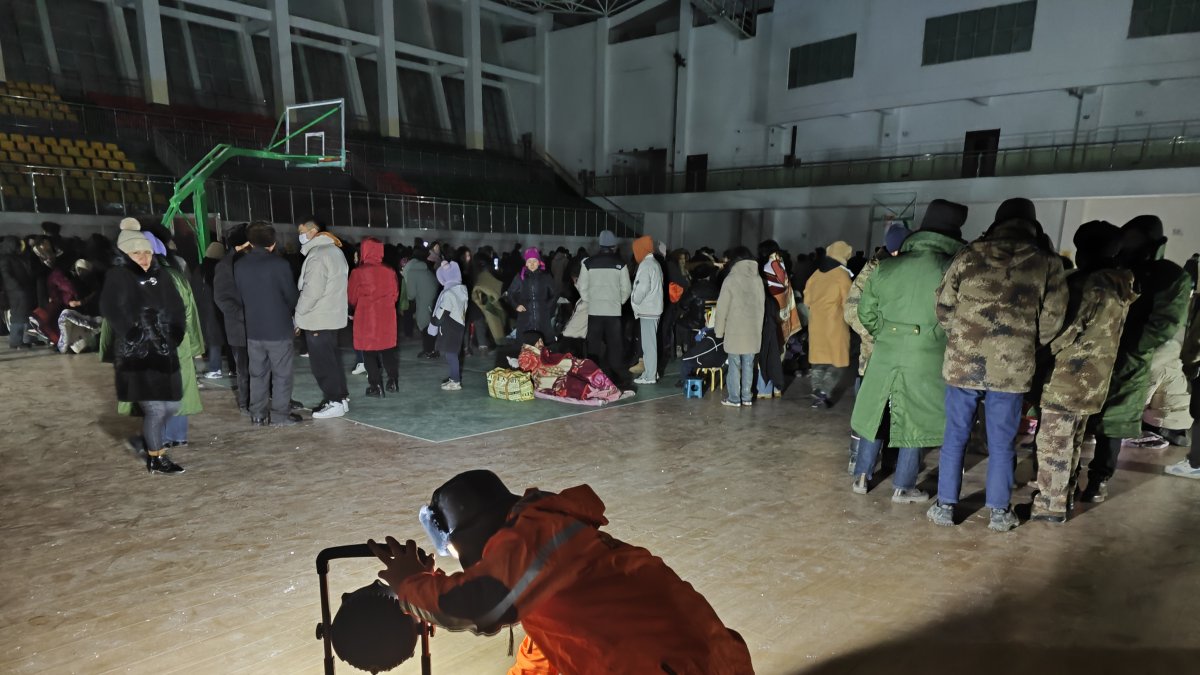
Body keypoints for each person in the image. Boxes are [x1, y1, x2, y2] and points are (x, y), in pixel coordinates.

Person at [367, 470, 754, 675]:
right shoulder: (550, 556)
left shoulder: (535, 534)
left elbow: (479, 605)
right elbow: (546, 651)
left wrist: (409, 584)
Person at [927, 198, 1068, 532]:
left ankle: (945, 506)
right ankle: (1000, 513)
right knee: (1004, 442)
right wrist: (1023, 344)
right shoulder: (1047, 263)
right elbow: (1052, 320)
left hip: (963, 363)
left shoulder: (969, 255)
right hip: (1012, 366)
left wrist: (965, 337)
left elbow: (945, 306)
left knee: (956, 435)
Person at [849, 200, 968, 503]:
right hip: (927, 354)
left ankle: (862, 476)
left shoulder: (887, 266)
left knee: (876, 412)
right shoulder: (952, 270)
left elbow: (865, 312)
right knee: (916, 416)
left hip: (886, 350)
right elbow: (959, 318)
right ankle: (903, 486)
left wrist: (888, 334)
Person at [1028, 221, 1137, 522]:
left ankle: (1049, 507)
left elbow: (1063, 332)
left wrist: (1035, 355)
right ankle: (1065, 498)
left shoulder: (1088, 285)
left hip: (1067, 378)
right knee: (1072, 443)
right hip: (1094, 379)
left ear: (1084, 251)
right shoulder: (1120, 284)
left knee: (1053, 446)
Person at [1083, 215, 1191, 502]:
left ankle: (1098, 480)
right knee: (1080, 417)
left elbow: (1164, 324)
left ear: (1150, 240)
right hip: (1094, 355)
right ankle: (1065, 480)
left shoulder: (1170, 276)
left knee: (1112, 423)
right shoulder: (1115, 269)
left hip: (1129, 360)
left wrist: (1130, 348)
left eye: (1134, 237)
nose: (1127, 242)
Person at [99, 221, 187, 474]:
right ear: (125, 254)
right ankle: (156, 458)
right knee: (156, 408)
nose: (144, 257)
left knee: (170, 406)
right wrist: (132, 332)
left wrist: (175, 333)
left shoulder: (161, 275)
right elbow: (111, 309)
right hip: (136, 355)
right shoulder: (118, 275)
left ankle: (146, 440)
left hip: (163, 351)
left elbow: (177, 308)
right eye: (137, 253)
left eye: (147, 252)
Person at [844, 222, 909, 472]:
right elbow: (851, 310)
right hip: (872, 358)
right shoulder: (872, 269)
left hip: (902, 358)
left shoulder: (909, 269)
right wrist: (877, 333)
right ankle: (856, 458)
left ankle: (890, 461)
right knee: (867, 412)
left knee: (897, 414)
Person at [236, 222, 301, 427]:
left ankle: (257, 413)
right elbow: (291, 296)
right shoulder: (279, 265)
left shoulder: (240, 264)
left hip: (253, 328)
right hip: (278, 328)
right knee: (282, 374)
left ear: (251, 241)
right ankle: (280, 416)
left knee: (257, 373)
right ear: (272, 243)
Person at [295, 218, 350, 419]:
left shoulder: (318, 255)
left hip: (318, 317)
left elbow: (311, 291)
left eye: (302, 231)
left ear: (312, 231)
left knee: (322, 363)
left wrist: (299, 315)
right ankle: (340, 398)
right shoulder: (336, 251)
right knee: (332, 359)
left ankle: (334, 400)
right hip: (332, 316)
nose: (300, 236)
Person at [577, 230, 632, 389]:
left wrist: (590, 300)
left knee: (593, 345)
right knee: (615, 345)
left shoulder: (588, 263)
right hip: (613, 311)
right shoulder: (620, 264)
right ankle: (617, 377)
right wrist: (618, 301)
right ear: (613, 245)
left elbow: (582, 286)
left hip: (594, 310)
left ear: (600, 244)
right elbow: (626, 289)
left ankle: (593, 375)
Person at [347, 237, 400, 398]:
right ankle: (393, 380)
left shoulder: (358, 272)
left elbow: (352, 296)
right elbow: (395, 294)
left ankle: (376, 385)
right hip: (386, 315)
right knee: (388, 350)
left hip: (366, 316)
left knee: (369, 352)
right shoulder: (389, 271)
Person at [803, 240, 854, 409]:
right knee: (838, 362)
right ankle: (824, 391)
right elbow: (849, 302)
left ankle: (817, 389)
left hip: (816, 324)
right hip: (835, 325)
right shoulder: (842, 275)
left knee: (818, 360)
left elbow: (807, 299)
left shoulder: (816, 274)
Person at [713, 247, 765, 408]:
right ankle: (747, 397)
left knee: (734, 364)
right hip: (753, 330)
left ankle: (734, 398)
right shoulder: (757, 278)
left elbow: (722, 308)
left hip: (735, 330)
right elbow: (761, 306)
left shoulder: (731, 279)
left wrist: (719, 331)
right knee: (749, 364)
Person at [517, 331, 625, 404]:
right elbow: (536, 370)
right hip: (547, 381)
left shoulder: (538, 351)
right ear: (531, 343)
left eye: (541, 340)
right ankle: (599, 392)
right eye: (538, 341)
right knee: (573, 383)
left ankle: (608, 389)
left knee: (585, 364)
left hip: (555, 373)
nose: (541, 343)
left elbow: (550, 359)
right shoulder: (526, 356)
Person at [212, 224, 252, 414]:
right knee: (244, 370)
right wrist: (245, 315)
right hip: (239, 329)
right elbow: (222, 298)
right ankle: (246, 403)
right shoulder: (225, 266)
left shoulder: (251, 260)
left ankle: (268, 398)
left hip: (257, 327)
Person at [757, 240, 800, 399]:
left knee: (769, 350)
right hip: (779, 311)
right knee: (776, 350)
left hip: (772, 310)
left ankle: (768, 388)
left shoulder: (769, 264)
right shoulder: (775, 263)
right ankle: (772, 387)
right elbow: (784, 281)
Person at [630, 235, 663, 385]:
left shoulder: (646, 265)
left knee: (649, 345)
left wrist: (635, 299)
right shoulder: (654, 263)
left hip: (648, 310)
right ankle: (650, 372)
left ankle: (650, 375)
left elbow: (642, 287)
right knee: (650, 344)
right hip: (653, 309)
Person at [431, 261, 468, 391]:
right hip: (458, 325)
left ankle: (456, 381)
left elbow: (442, 312)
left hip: (450, 327)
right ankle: (454, 378)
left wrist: (434, 321)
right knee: (452, 354)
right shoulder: (462, 290)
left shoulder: (448, 293)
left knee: (451, 355)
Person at [506, 247, 557, 339]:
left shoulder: (546, 277)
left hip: (542, 317)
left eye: (534, 261)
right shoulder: (520, 277)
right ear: (526, 263)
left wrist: (547, 307)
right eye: (529, 261)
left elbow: (554, 295)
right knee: (526, 344)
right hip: (525, 317)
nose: (532, 264)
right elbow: (510, 293)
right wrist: (516, 305)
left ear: (539, 262)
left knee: (544, 343)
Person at [0, 236, 36, 349]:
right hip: (16, 292)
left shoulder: (16, 257)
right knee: (18, 316)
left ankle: (26, 339)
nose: (19, 247)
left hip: (23, 290)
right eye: (16, 245)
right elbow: (6, 276)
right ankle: (16, 341)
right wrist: (17, 288)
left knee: (25, 315)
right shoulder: (5, 259)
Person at [405, 246, 440, 358]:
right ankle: (429, 349)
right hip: (432, 301)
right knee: (429, 325)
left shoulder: (411, 271)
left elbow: (411, 294)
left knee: (425, 326)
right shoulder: (426, 269)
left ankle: (429, 351)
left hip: (424, 302)